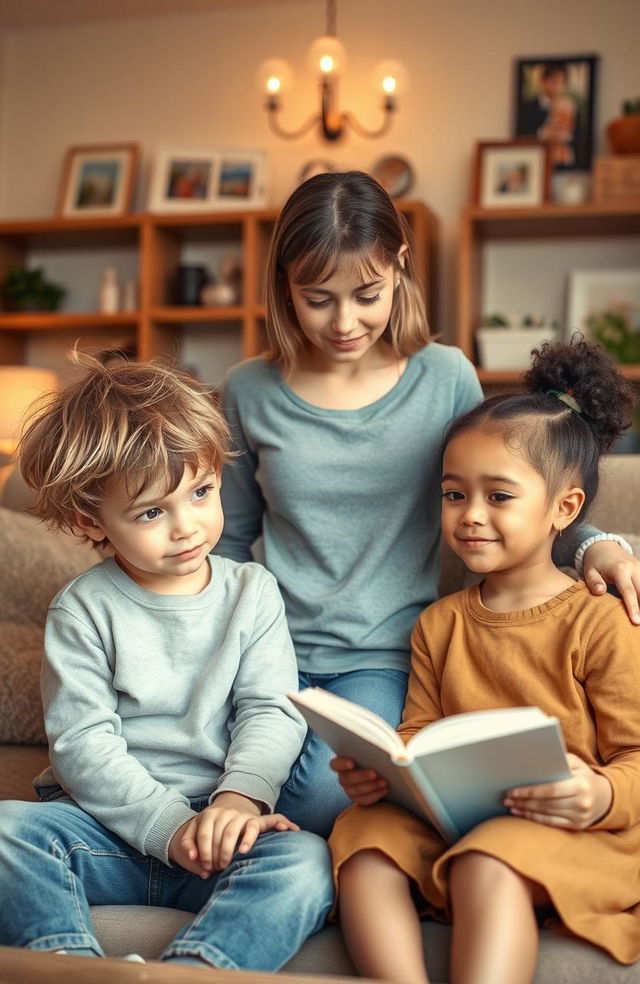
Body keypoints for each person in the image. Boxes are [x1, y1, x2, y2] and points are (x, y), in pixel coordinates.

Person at [215, 170, 640, 837]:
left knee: (328, 801)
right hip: (264, 647)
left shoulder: (445, 377)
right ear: (284, 287)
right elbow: (228, 539)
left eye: (367, 294)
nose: (345, 321)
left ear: (398, 267)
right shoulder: (247, 389)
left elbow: (509, 493)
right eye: (317, 298)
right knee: (195, 766)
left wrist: (592, 543)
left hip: (378, 657)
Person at [0, 354, 333, 970]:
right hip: (105, 833)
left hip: (218, 830)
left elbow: (270, 711)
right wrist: (167, 827)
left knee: (307, 862)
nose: (188, 527)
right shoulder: (83, 609)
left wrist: (240, 800)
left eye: (201, 493)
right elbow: (82, 745)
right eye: (152, 512)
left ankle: (197, 972)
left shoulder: (252, 591)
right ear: (90, 521)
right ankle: (73, 970)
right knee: (5, 832)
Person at [329, 337, 640, 984]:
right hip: (464, 821)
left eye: (499, 497)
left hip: (581, 829)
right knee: (360, 836)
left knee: (486, 859)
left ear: (566, 509)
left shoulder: (600, 618)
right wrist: (383, 774)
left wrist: (601, 793)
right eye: (453, 495)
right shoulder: (439, 623)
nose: (470, 516)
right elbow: (415, 735)